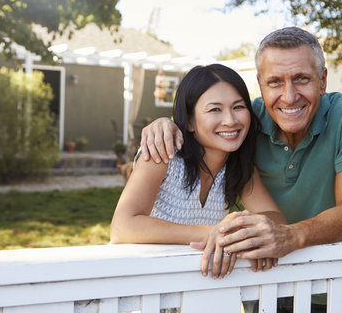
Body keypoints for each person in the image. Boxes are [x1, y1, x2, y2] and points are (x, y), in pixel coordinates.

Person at [139, 27, 342, 311]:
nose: (289, 96)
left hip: (333, 285)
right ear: (260, 84)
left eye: (302, 79)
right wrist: (166, 124)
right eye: (275, 82)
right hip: (264, 279)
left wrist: (290, 236)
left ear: (323, 80)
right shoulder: (245, 121)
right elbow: (205, 120)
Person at [110, 63, 286, 279]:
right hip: (144, 282)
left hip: (198, 286)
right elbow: (122, 227)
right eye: (215, 109)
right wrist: (217, 233)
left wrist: (239, 229)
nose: (230, 120)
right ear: (190, 121)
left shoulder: (239, 166)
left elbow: (277, 219)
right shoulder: (164, 154)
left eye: (238, 107)